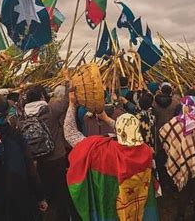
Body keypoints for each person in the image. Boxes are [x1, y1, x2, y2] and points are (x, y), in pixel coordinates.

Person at [64, 88, 158, 220]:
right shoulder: (146, 152)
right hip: (134, 212)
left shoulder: (100, 151)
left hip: (109, 211)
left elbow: (71, 134)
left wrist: (72, 104)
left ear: (118, 131)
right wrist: (107, 119)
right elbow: (127, 132)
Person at [0, 92, 46, 221]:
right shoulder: (13, 136)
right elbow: (28, 169)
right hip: (12, 202)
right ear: (6, 112)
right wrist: (39, 196)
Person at [22, 85, 70, 221]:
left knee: (45, 193)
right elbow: (67, 100)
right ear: (42, 97)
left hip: (37, 161)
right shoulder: (50, 110)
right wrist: (67, 81)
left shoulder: (23, 115)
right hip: (56, 158)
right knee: (60, 192)